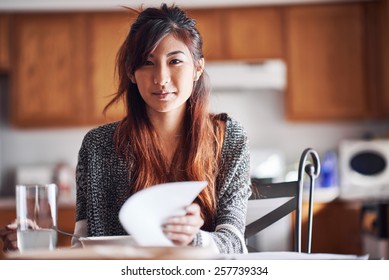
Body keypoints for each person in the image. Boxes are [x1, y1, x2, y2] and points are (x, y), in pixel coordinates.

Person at [1, 3, 251, 254]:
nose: (161, 78)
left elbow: (235, 243)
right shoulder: (97, 146)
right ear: (131, 73)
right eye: (147, 63)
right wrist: (37, 245)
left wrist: (195, 239)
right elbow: (82, 244)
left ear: (198, 68)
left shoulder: (228, 138)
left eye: (175, 61)